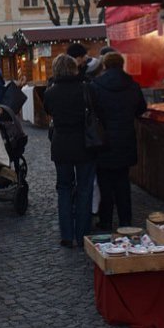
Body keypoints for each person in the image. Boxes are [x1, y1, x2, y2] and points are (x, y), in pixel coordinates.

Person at [41, 53, 95, 249]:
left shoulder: (50, 93)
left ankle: (66, 234)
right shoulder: (85, 88)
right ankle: (82, 235)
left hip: (61, 144)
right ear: (74, 68)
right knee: (84, 189)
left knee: (64, 189)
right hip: (84, 144)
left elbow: (49, 112)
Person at [90, 52, 147, 230]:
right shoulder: (132, 85)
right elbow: (141, 109)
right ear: (122, 65)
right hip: (125, 140)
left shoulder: (96, 86)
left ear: (104, 66)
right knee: (123, 183)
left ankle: (106, 221)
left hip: (103, 141)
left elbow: (92, 112)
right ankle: (125, 220)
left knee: (105, 184)